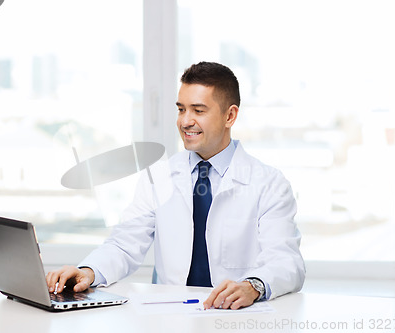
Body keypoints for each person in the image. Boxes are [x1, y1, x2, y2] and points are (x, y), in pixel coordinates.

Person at [46, 61, 305, 310]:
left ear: (230, 116)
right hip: (170, 315)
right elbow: (124, 244)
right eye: (181, 109)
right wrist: (88, 272)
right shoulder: (159, 176)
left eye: (198, 110)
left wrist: (253, 286)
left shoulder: (269, 183)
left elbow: (285, 260)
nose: (185, 121)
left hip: (235, 317)